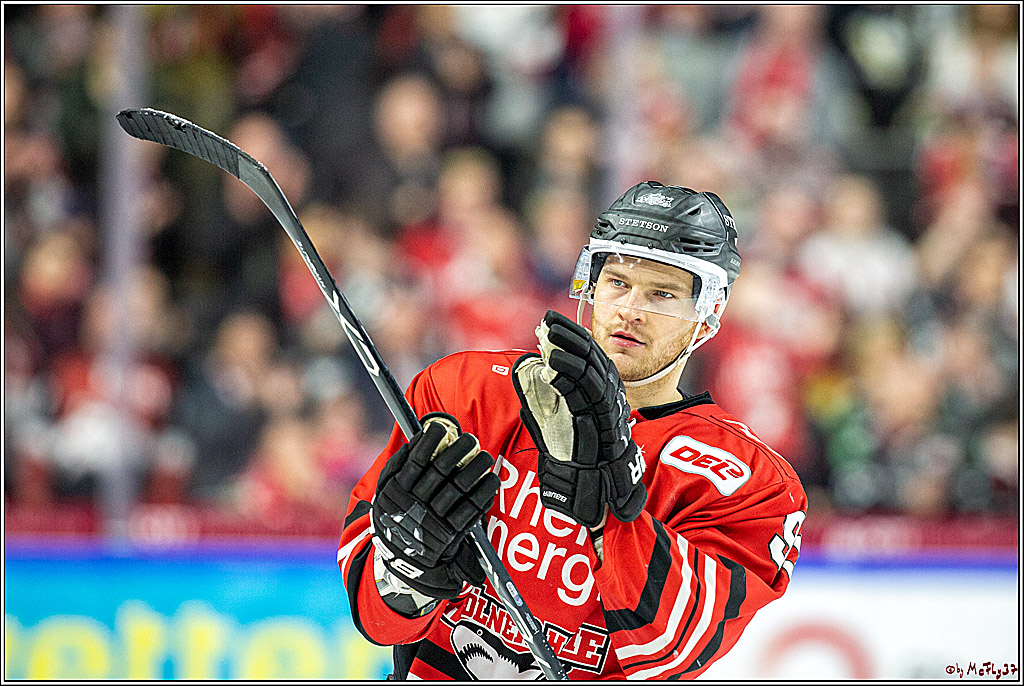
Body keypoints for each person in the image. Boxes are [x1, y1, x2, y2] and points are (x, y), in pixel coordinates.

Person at [338, 181, 807, 680]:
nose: (631, 309)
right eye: (618, 283)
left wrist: (608, 501)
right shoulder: (468, 391)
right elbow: (377, 618)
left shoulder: (750, 481)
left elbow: (672, 648)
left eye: (663, 294)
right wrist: (405, 571)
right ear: (590, 284)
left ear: (709, 315)